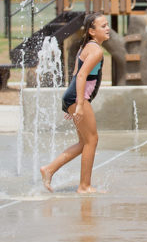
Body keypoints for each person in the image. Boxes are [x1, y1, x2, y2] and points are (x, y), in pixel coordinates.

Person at [40, 12, 110, 193]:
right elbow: (80, 75)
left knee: (84, 142)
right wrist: (78, 104)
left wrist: (71, 104)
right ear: (92, 31)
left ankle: (49, 169)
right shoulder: (95, 50)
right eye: (103, 26)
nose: (107, 28)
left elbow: (74, 74)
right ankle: (84, 186)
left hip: (73, 97)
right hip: (77, 99)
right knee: (92, 140)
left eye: (107, 25)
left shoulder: (85, 46)